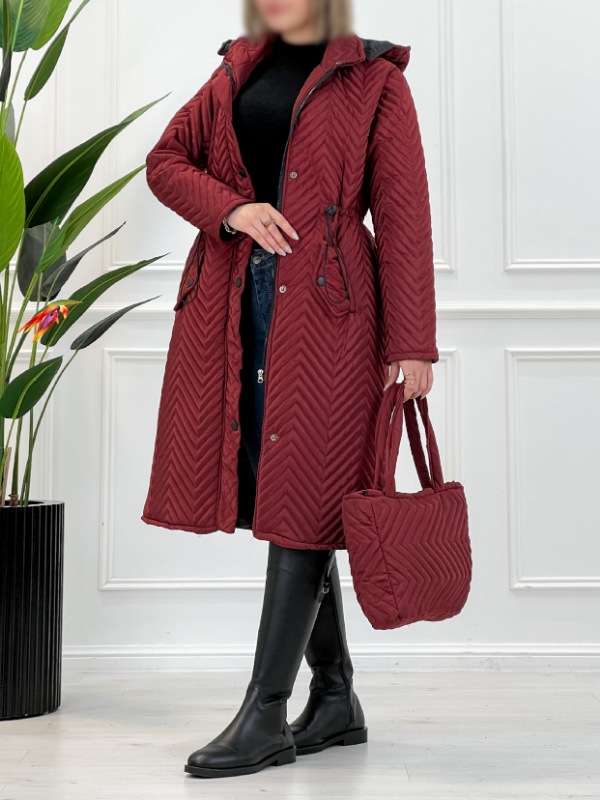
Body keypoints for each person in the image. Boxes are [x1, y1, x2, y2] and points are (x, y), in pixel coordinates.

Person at [143, 0, 439, 779]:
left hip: (331, 312)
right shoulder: (239, 66)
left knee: (305, 492)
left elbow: (404, 213)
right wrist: (233, 209)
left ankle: (266, 713)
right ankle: (335, 699)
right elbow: (166, 161)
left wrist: (413, 343)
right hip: (233, 306)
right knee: (287, 499)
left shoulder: (374, 77)